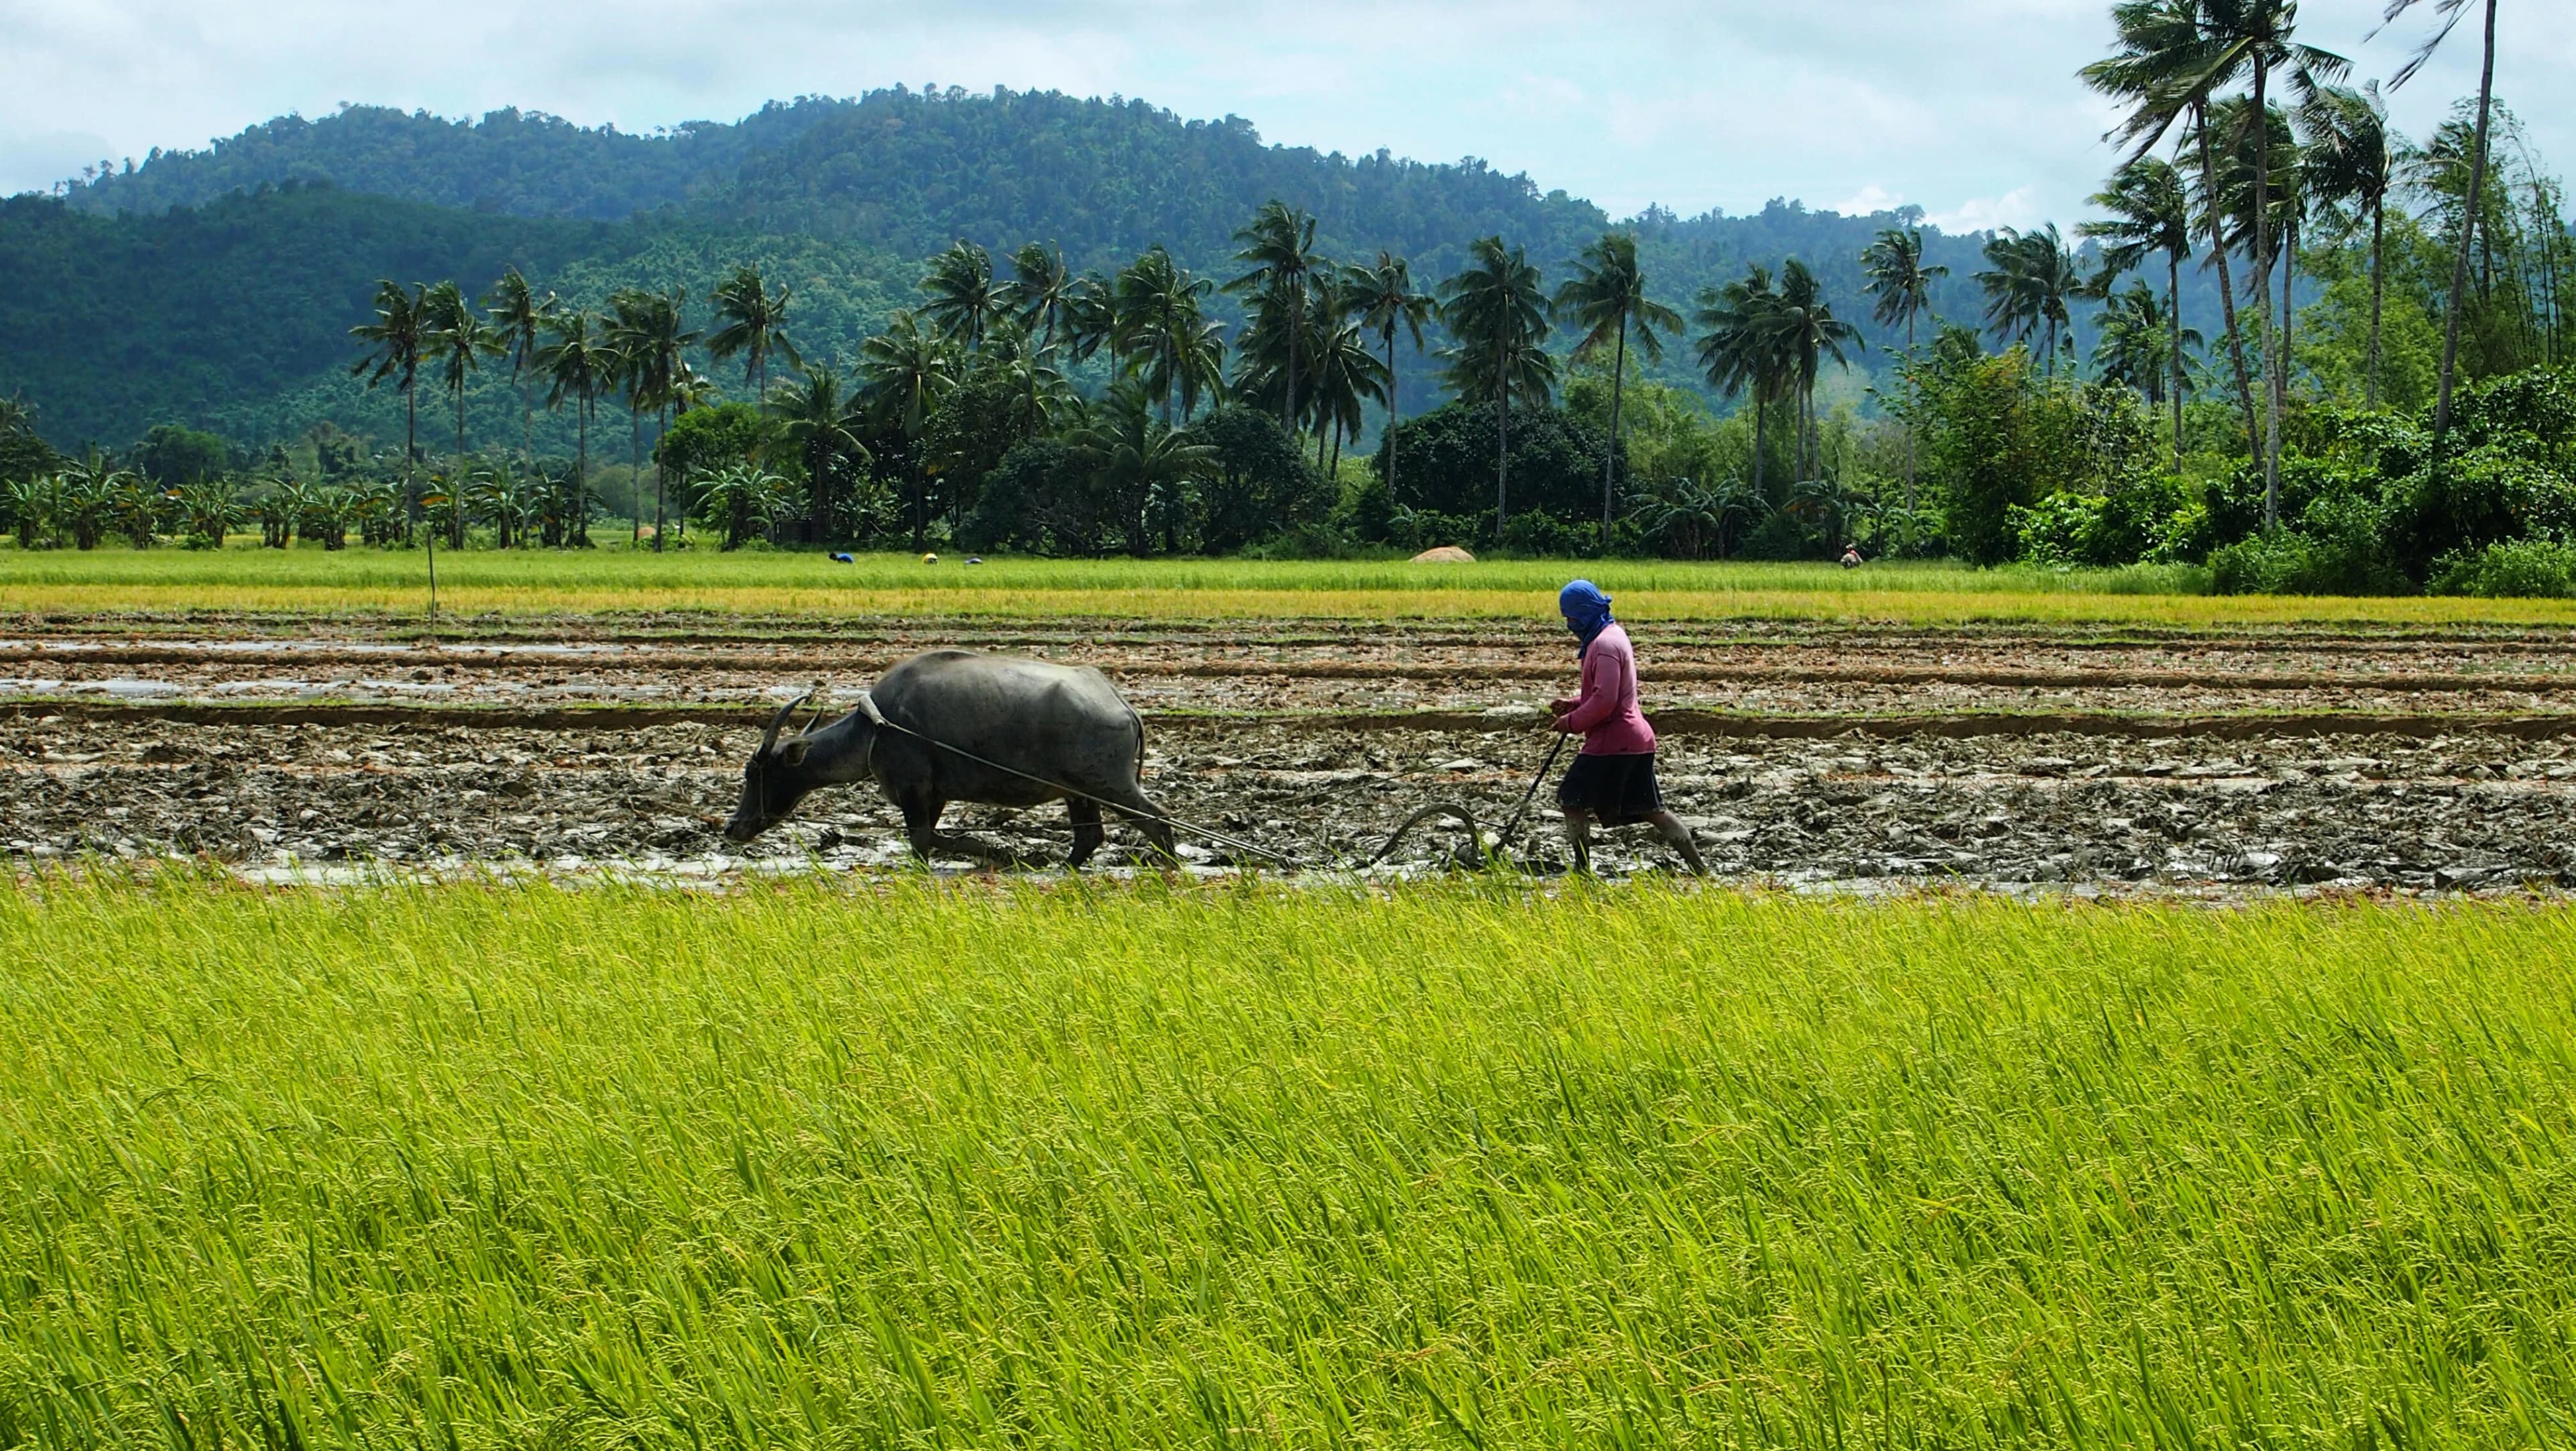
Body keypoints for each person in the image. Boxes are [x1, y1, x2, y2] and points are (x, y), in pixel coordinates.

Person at [1546, 580, 1706, 875]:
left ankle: (1582, 873)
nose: (1570, 624)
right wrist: (1574, 703)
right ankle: (1700, 870)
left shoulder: (1604, 645)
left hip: (1614, 740)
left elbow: (1606, 701)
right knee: (1652, 809)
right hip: (1634, 740)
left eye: (1571, 617)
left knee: (1572, 799)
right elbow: (1608, 692)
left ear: (1584, 612)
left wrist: (1571, 722)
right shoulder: (1613, 635)